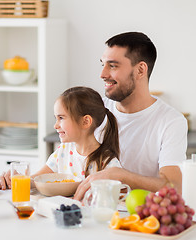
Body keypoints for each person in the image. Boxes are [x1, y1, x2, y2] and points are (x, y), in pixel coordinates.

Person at [74, 32, 188, 200]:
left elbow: (173, 188)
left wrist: (120, 176)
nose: (103, 74)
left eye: (112, 66)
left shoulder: (171, 122)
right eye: (103, 64)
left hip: (139, 219)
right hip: (92, 213)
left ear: (140, 70)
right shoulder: (96, 109)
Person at [0, 86, 122, 190]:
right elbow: (37, 180)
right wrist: (18, 178)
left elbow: (117, 199)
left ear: (86, 121)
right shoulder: (63, 151)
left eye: (61, 118)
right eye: (56, 118)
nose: (56, 125)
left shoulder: (108, 163)